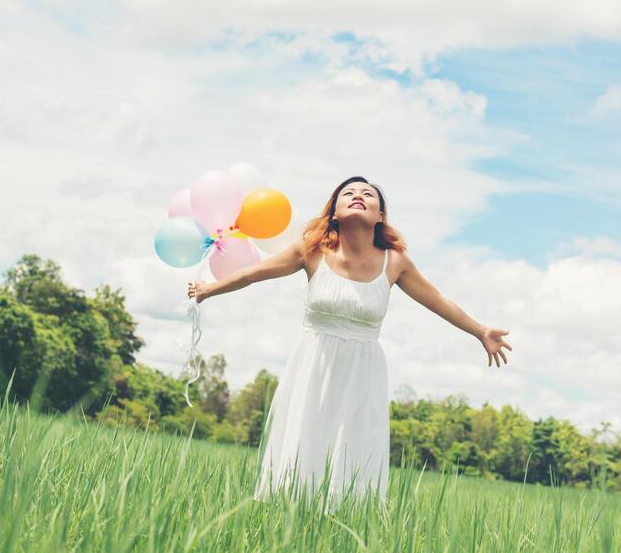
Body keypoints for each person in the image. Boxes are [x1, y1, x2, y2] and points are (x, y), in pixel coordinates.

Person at [187, 175, 512, 508]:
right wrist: (211, 288)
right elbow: (257, 271)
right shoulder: (311, 250)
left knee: (355, 450)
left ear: (380, 216)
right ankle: (287, 516)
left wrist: (480, 331)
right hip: (313, 364)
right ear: (334, 212)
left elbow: (437, 299)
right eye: (349, 193)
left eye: (368, 194)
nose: (358, 196)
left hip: (363, 372)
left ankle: (345, 522)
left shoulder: (395, 262)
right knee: (304, 444)